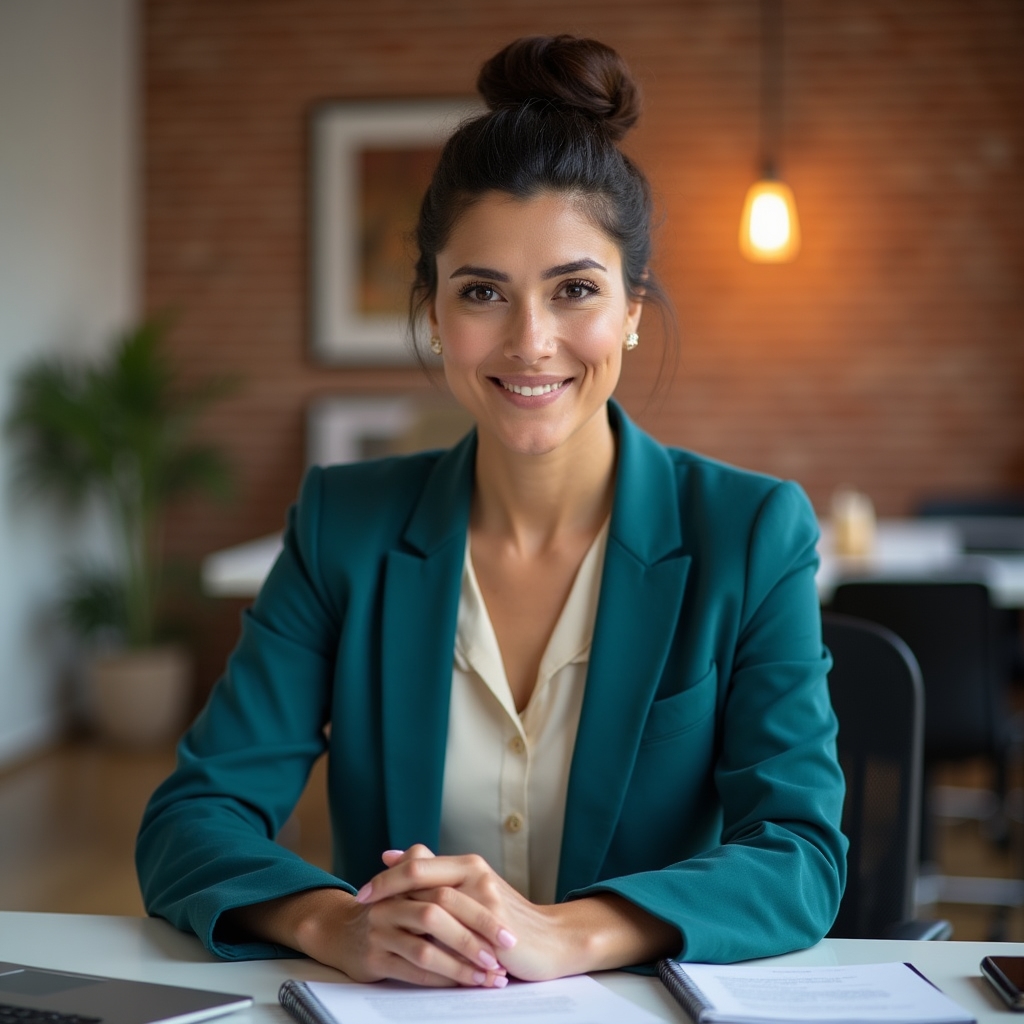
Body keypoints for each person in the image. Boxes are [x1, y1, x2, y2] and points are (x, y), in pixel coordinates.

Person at [136, 34, 846, 988]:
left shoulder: (751, 532)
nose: (531, 342)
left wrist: (572, 933)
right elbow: (194, 817)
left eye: (576, 291)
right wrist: (328, 923)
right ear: (433, 309)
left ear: (633, 308)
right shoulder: (342, 525)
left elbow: (800, 854)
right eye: (483, 292)